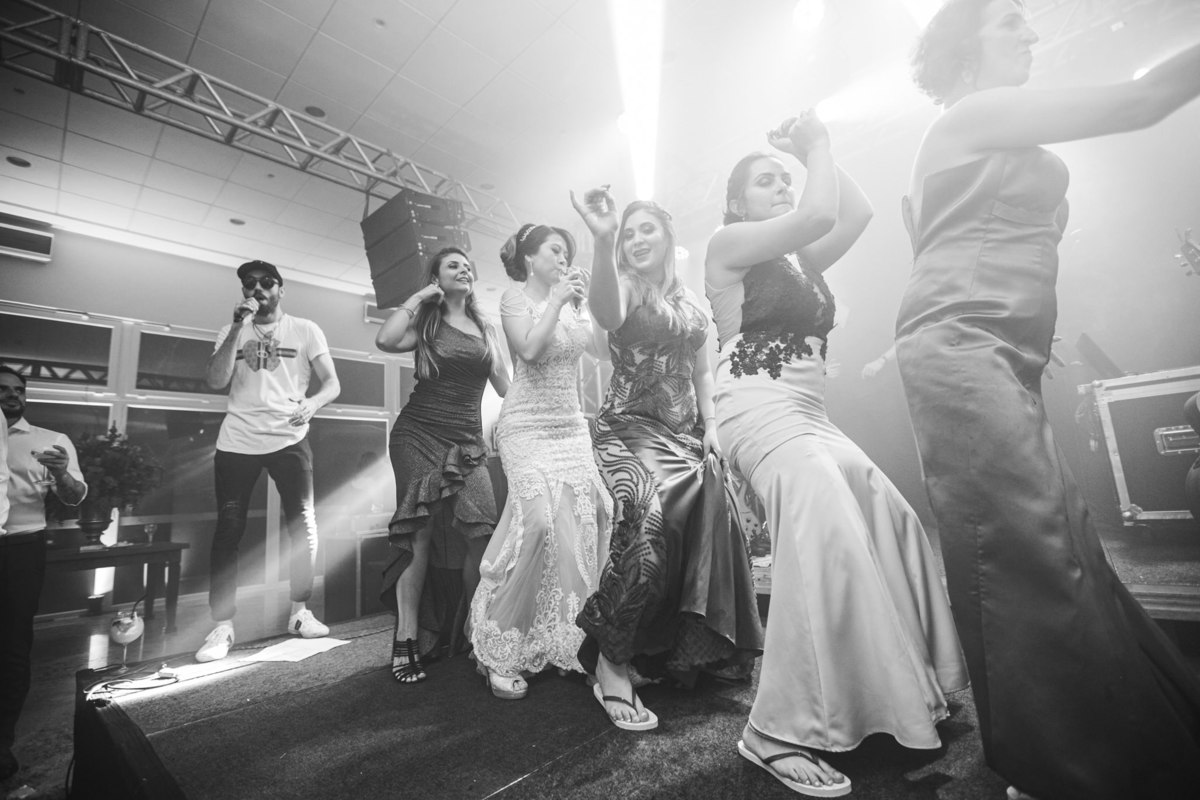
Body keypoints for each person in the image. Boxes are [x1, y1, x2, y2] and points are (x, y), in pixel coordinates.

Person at [897, 3, 1200, 798]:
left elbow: (948, 238)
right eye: (1010, 21)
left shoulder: (980, 129)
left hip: (999, 350)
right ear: (965, 45)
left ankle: (1103, 743)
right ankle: (1060, 770)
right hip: (963, 349)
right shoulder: (974, 114)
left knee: (1063, 542)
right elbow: (1143, 100)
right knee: (1030, 550)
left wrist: (1025, 331)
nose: (1030, 33)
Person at [705, 114, 968, 796]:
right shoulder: (727, 244)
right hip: (757, 408)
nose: (782, 188)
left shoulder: (801, 261)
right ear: (736, 203)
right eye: (766, 182)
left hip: (811, 414)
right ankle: (772, 731)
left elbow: (859, 211)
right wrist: (815, 147)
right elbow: (820, 210)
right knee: (825, 532)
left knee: (888, 514)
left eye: (785, 180)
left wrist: (812, 154)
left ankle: (900, 691)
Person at [570, 190, 764, 731]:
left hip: (685, 433)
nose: (636, 240)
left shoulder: (692, 302)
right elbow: (606, 314)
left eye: (645, 229)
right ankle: (610, 661)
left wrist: (713, 427)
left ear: (668, 237)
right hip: (627, 427)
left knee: (709, 513)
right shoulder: (627, 285)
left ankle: (674, 655)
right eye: (628, 233)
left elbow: (702, 372)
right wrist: (602, 239)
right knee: (650, 518)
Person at [468, 223, 613, 700]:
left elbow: (602, 351)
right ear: (530, 258)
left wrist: (589, 304)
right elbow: (529, 350)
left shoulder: (572, 303)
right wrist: (557, 301)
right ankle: (501, 644)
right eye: (556, 250)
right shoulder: (515, 299)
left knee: (589, 519)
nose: (564, 258)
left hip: (570, 426)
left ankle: (572, 640)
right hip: (526, 425)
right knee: (538, 524)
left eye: (568, 252)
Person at [196, 260, 341, 662]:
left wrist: (312, 404)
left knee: (303, 526)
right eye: (249, 284)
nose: (256, 288)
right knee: (229, 528)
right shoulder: (231, 330)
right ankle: (222, 625)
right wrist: (236, 328)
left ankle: (299, 612)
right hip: (238, 440)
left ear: (281, 289)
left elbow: (332, 383)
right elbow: (215, 380)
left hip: (289, 437)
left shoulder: (305, 329)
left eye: (266, 282)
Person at [375, 247, 509, 683]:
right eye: (453, 265)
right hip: (418, 433)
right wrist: (420, 297)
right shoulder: (427, 323)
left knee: (482, 532)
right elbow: (385, 340)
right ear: (436, 276)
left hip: (467, 443)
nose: (464, 269)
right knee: (419, 530)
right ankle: (407, 638)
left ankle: (478, 630)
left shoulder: (486, 328)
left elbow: (506, 387)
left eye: (468, 265)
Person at [1, 366, 87, 778]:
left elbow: (75, 497)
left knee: (13, 647)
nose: (13, 395)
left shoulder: (50, 441)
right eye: (3, 389)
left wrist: (61, 472)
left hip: (21, 551)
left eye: (19, 389)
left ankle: (2, 741)